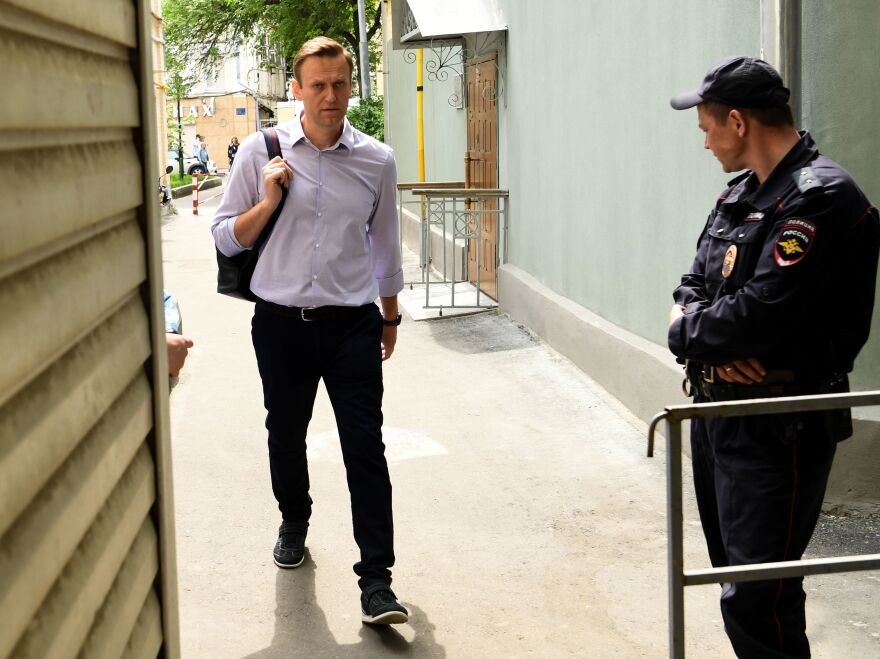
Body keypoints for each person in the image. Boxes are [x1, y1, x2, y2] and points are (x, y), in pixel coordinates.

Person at [667, 56, 879, 657]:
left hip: (778, 422)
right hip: (718, 414)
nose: (705, 143)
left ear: (738, 122)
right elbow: (692, 284)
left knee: (760, 595)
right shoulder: (741, 193)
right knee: (735, 580)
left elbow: (760, 314)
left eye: (707, 128)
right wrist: (704, 340)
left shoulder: (821, 198)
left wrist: (685, 333)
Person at [210, 36, 408, 625]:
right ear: (296, 89)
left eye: (339, 83)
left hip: (352, 325)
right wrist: (268, 200)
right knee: (285, 433)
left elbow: (386, 246)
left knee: (365, 446)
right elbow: (225, 237)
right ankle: (293, 518)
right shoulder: (259, 151)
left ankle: (377, 581)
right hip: (280, 324)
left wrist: (390, 316)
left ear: (351, 85)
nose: (330, 96)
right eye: (317, 85)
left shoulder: (377, 159)